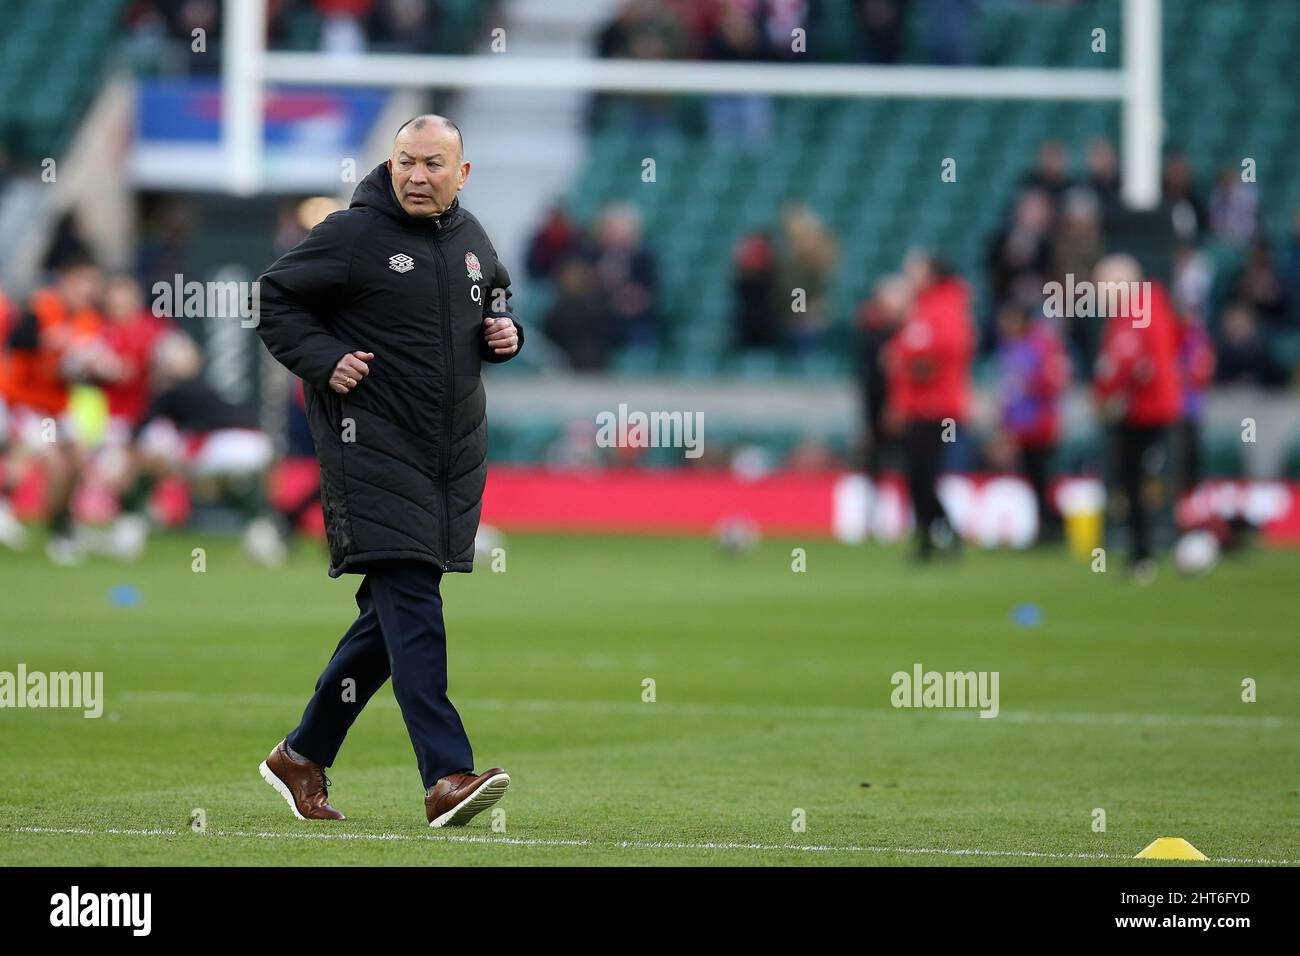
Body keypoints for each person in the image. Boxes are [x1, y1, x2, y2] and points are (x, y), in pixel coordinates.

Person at [254, 114, 522, 827]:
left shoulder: (473, 240)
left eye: (433, 164)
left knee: (389, 618)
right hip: (370, 447)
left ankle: (302, 755)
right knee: (413, 605)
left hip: (450, 457)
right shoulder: (352, 235)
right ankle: (446, 775)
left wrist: (506, 333)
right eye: (406, 160)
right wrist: (323, 359)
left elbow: (494, 297)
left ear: (461, 174)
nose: (416, 175)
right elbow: (273, 298)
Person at [1092, 255, 1181, 579]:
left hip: (1148, 415)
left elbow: (1143, 364)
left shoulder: (1146, 309)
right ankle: (1139, 552)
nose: (1098, 291)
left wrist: (1120, 397)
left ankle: (1147, 552)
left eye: (1103, 283)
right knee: (1131, 483)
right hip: (1131, 414)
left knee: (1145, 482)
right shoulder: (1125, 316)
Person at [884, 253, 974, 561]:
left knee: (924, 475)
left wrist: (904, 361)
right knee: (917, 475)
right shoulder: (925, 308)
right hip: (919, 409)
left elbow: (931, 358)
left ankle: (938, 537)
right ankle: (934, 537)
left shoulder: (944, 308)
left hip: (937, 410)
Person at [995, 300, 1071, 543]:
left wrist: (1032, 384)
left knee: (1043, 478)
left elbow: (1055, 382)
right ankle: (1045, 526)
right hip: (1022, 429)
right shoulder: (1010, 348)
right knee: (1033, 480)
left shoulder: (1042, 346)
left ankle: (1053, 526)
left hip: (1041, 426)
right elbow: (1009, 394)